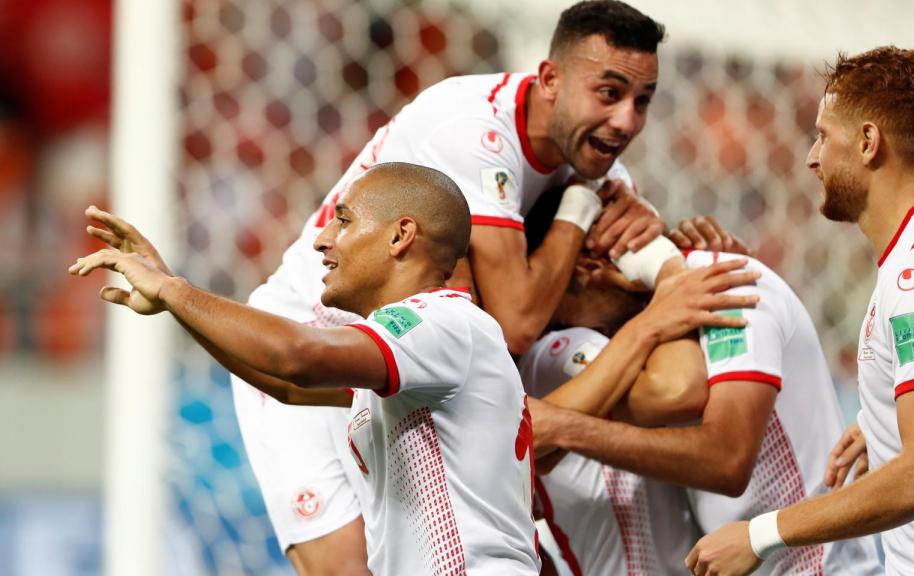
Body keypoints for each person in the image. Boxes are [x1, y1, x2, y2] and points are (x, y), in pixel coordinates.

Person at [217, 1, 742, 572]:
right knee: (348, 568)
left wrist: (671, 261)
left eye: (643, 101)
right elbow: (516, 321)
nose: (627, 121)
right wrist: (581, 207)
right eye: (609, 93)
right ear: (549, 80)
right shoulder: (471, 128)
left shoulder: (603, 172)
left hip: (416, 373)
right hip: (313, 340)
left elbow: (643, 352)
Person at [73, 161, 757, 575]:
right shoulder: (414, 353)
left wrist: (178, 291)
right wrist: (178, 303)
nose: (323, 238)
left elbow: (297, 355)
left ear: (401, 235)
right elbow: (283, 382)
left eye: (343, 220)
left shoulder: (441, 325)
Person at [686, 46, 914, 576]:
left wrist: (762, 533)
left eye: (823, 136)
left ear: (867, 143)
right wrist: (887, 421)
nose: (811, 158)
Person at [528, 244, 883, 575]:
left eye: (558, 305)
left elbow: (694, 414)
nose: (555, 317)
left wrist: (567, 428)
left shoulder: (722, 284)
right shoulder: (556, 352)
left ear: (589, 267)